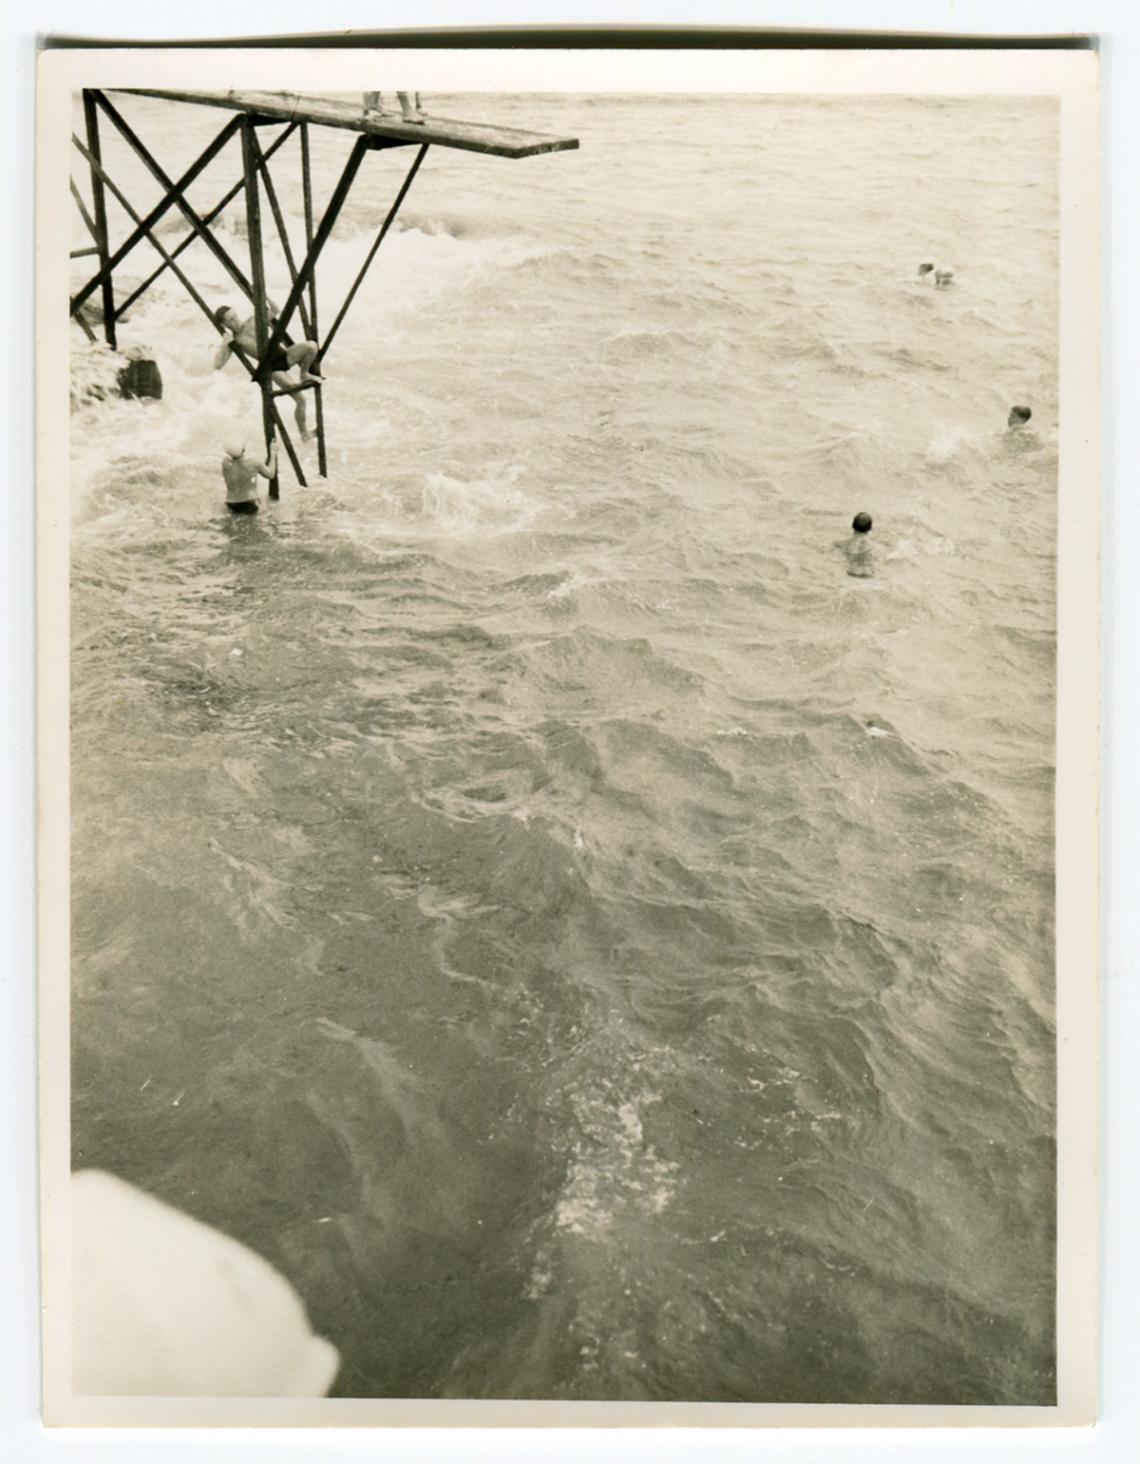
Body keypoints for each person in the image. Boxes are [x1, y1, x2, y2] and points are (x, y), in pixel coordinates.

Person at [213, 302, 322, 442]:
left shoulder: (253, 320)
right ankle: (304, 434)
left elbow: (275, 310)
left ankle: (304, 374)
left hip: (285, 355)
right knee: (300, 399)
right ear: (225, 325)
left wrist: (264, 297)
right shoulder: (235, 341)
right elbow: (217, 365)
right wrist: (224, 344)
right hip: (273, 368)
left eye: (235, 316)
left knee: (312, 346)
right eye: (231, 320)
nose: (236, 320)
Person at [222, 438, 277, 514]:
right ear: (243, 449)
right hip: (250, 502)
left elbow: (240, 470)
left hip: (231, 503)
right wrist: (273, 453)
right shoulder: (254, 463)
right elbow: (271, 474)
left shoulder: (225, 463)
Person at [841, 511, 875, 578]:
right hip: (868, 574)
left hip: (851, 574)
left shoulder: (841, 544)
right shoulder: (874, 546)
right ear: (870, 528)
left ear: (852, 525)